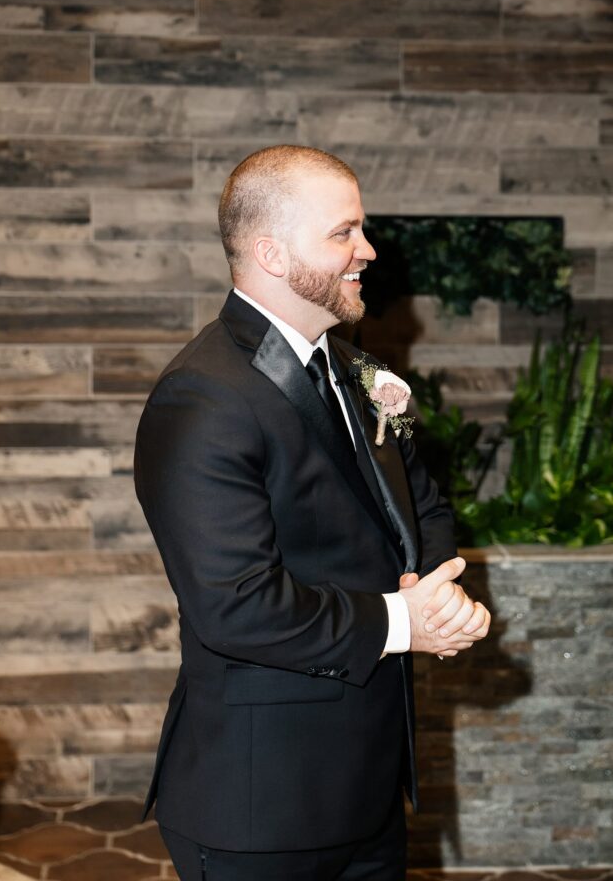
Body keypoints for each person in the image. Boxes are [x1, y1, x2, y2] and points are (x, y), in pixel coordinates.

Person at [134, 145, 490, 880]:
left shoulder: (354, 369)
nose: (367, 250)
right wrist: (403, 622)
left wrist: (441, 601)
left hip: (368, 791)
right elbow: (234, 606)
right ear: (270, 252)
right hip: (262, 805)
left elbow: (419, 510)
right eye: (343, 233)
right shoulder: (202, 398)